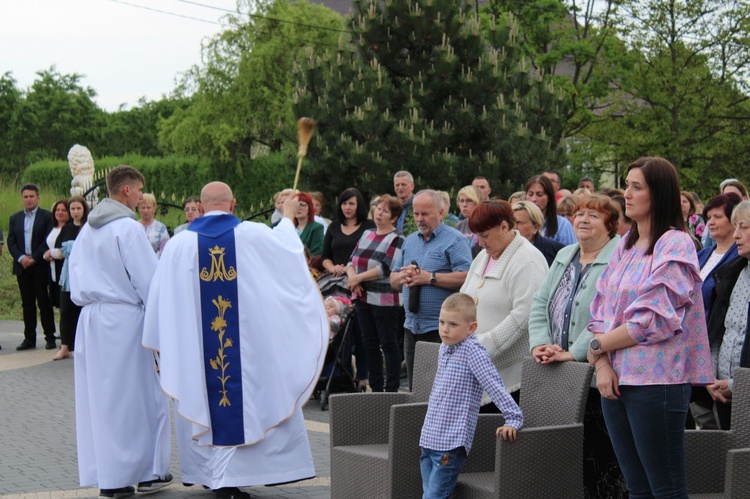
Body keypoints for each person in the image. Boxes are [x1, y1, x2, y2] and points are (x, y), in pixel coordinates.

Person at [143, 182, 327, 499]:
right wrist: (286, 217)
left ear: (199, 208)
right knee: (246, 405)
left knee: (203, 403)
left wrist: (166, 347)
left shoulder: (178, 245)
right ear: (234, 204)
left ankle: (213, 477)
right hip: (245, 350)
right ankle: (230, 478)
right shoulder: (254, 235)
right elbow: (288, 252)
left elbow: (160, 302)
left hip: (197, 352)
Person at [586, 157, 713, 498]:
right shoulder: (626, 246)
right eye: (627, 185)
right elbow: (599, 310)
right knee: (637, 488)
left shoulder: (675, 243)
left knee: (665, 489)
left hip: (656, 383)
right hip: (614, 380)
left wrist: (597, 348)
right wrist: (600, 364)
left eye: (636, 187)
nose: (626, 193)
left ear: (659, 194)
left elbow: (652, 320)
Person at [69, 165, 172, 498]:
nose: (142, 197)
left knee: (101, 402)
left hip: (90, 321)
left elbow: (74, 282)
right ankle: (144, 472)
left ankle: (110, 476)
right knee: (137, 398)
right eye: (140, 190)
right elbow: (150, 282)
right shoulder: (127, 229)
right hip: (124, 322)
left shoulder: (87, 230)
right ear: (126, 191)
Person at [528, 194, 624, 498]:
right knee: (567, 457)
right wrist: (541, 344)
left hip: (598, 376)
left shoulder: (619, 256)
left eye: (593, 216)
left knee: (600, 459)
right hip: (559, 371)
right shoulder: (565, 254)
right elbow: (541, 302)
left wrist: (574, 352)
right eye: (580, 214)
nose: (583, 219)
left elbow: (606, 311)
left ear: (610, 226)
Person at [419, 293, 523, 499]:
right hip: (430, 437)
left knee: (433, 497)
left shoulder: (473, 352)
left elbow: (494, 385)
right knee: (428, 493)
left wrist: (513, 418)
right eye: (441, 322)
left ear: (471, 328)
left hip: (450, 443)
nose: (445, 329)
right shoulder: (444, 348)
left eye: (453, 324)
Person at [460, 200, 547, 404]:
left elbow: (523, 316)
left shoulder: (528, 260)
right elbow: (464, 296)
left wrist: (482, 347)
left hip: (511, 380)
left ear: (505, 227)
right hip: (477, 367)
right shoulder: (483, 256)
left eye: (485, 235)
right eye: (478, 236)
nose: (480, 242)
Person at [390, 189, 473, 390]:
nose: (420, 219)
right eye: (416, 214)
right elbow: (392, 279)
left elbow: (466, 277)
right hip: (411, 326)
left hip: (442, 330)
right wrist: (402, 277)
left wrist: (430, 278)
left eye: (425, 214)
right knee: (415, 389)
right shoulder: (410, 240)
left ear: (441, 212)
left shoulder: (455, 240)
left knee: (440, 390)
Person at [690, 192, 742, 430]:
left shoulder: (739, 259)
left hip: (715, 344)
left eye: (717, 216)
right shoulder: (703, 254)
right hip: (695, 344)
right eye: (708, 217)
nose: (710, 222)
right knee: (701, 416)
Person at [347, 194, 404, 392]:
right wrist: (353, 277)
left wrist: (358, 279)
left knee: (388, 344)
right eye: (378, 209)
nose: (379, 213)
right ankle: (376, 388)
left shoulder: (397, 238)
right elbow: (351, 261)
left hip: (385, 301)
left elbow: (385, 268)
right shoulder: (367, 233)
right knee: (369, 344)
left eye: (385, 211)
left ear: (394, 217)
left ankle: (392, 389)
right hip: (362, 297)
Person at [321, 188, 375, 389]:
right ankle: (331, 373)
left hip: (359, 282)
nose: (347, 207)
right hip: (334, 284)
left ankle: (362, 376)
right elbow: (325, 256)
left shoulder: (369, 227)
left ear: (359, 205)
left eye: (351, 203)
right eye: (344, 203)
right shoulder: (334, 227)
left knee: (361, 331)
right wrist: (332, 267)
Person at [703, 200, 750, 430]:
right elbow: (718, 331)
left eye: (744, 227)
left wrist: (736, 384)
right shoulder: (732, 274)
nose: (737, 234)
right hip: (722, 392)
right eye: (735, 226)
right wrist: (711, 376)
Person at [7, 183, 55, 351]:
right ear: (22, 198)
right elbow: (11, 242)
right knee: (27, 304)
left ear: (38, 198)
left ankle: (50, 337)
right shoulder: (15, 218)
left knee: (44, 302)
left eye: (31, 196)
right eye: (26, 197)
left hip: (39, 266)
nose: (28, 200)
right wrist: (21, 258)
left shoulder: (47, 216)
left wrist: (34, 258)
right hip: (22, 267)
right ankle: (29, 339)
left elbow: (47, 240)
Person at [48, 196, 89, 361]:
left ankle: (80, 345)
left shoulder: (89, 228)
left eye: (78, 208)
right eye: (72, 209)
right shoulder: (67, 228)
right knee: (65, 310)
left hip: (84, 274)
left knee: (81, 311)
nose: (75, 212)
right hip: (68, 275)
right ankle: (64, 346)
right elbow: (59, 250)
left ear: (84, 209)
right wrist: (51, 253)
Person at [525, 175, 576, 246]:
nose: (534, 199)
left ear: (549, 197)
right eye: (530, 194)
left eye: (539, 195)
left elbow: (571, 254)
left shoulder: (563, 225)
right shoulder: (518, 223)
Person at [512, 200, 564, 267]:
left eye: (519, 223)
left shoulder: (557, 251)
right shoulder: (502, 250)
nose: (514, 227)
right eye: (511, 222)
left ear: (535, 228)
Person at [43, 199, 70, 310]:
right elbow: (44, 245)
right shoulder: (52, 228)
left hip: (63, 269)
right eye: (57, 210)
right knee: (58, 304)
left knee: (65, 306)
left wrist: (51, 253)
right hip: (52, 269)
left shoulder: (69, 228)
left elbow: (64, 250)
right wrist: (45, 255)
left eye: (63, 210)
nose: (60, 212)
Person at [138, 193, 170, 257]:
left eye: (148, 207)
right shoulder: (134, 226)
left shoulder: (161, 228)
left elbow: (165, 249)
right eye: (143, 208)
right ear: (138, 209)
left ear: (154, 209)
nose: (145, 211)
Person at [293, 191, 325, 256]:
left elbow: (316, 254)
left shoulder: (317, 228)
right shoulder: (291, 227)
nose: (298, 208)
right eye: (296, 205)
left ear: (309, 208)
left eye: (302, 205)